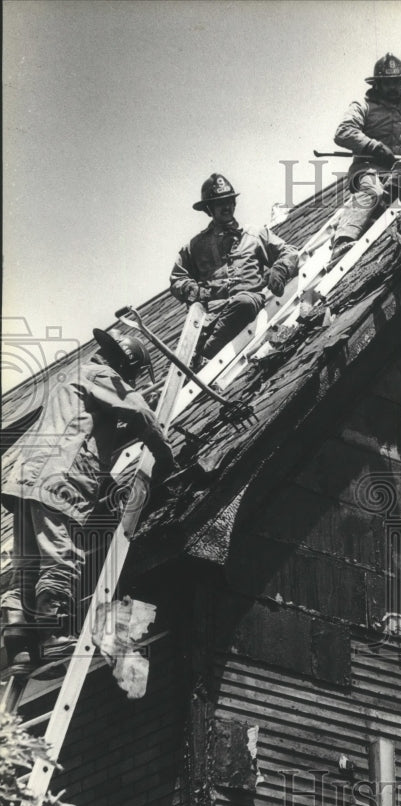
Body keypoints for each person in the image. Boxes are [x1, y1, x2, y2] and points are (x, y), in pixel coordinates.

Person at [1, 329, 175, 675]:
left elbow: (88, 433)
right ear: (126, 365)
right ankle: (54, 637)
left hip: (25, 480)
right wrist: (165, 456)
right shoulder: (102, 374)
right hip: (60, 478)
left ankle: (19, 649)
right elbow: (139, 412)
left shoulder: (74, 377)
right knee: (61, 557)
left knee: (27, 565)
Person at [170, 173, 298, 366]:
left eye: (229, 201)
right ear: (209, 209)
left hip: (247, 306)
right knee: (178, 356)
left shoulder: (255, 235)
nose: (226, 207)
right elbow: (177, 277)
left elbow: (289, 252)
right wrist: (191, 290)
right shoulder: (195, 246)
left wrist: (280, 269)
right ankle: (198, 356)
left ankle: (207, 353)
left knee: (243, 302)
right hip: (209, 317)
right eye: (219, 203)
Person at [331, 53, 401, 264]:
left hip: (399, 170)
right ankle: (342, 241)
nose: (392, 87)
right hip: (368, 168)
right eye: (387, 83)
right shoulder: (363, 106)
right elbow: (343, 131)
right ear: (377, 84)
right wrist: (374, 147)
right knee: (373, 190)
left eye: (396, 82)